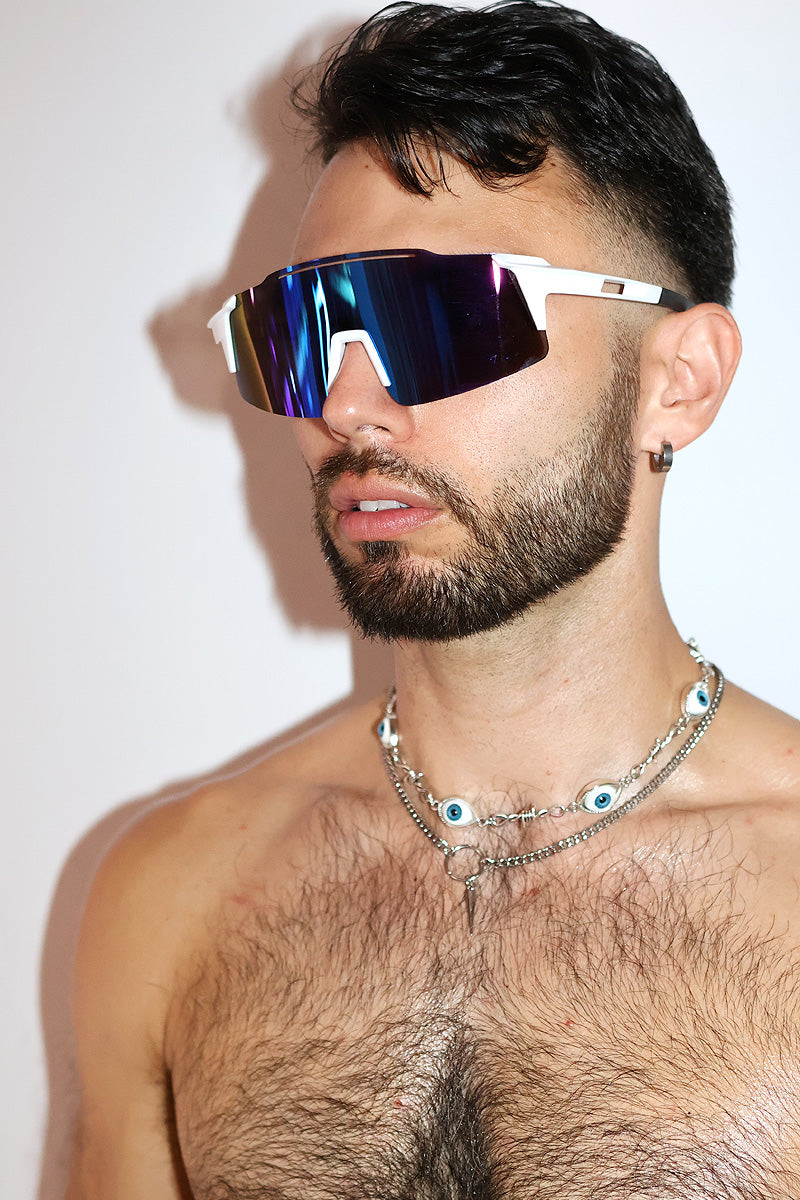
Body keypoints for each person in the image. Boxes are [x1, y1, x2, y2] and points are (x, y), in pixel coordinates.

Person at [67, 3, 800, 1197]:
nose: (346, 406)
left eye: (443, 317)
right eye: (304, 329)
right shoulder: (170, 898)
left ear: (678, 381)